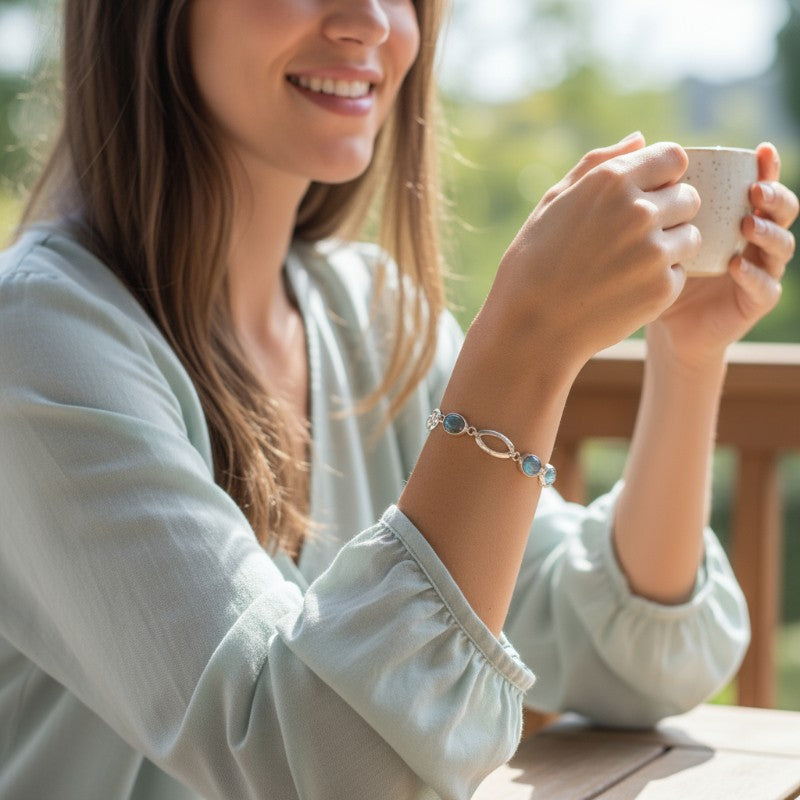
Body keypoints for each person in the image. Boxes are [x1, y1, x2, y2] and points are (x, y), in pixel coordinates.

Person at [0, 1, 796, 798]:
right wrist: (529, 342)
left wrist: (687, 359)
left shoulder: (372, 315)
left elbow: (626, 662)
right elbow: (322, 762)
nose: (371, 21)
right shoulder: (38, 340)